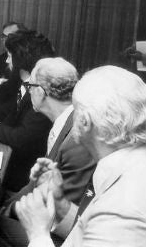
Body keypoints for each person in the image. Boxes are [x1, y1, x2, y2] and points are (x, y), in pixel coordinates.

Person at [15, 65, 146, 246]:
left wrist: (38, 235)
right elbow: (90, 233)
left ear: (84, 121)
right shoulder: (130, 165)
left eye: (74, 110)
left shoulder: (123, 208)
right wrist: (60, 203)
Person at [0, 57, 96, 246]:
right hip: (46, 211)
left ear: (39, 91)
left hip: (54, 234)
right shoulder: (66, 121)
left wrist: (6, 209)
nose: (28, 91)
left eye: (30, 86)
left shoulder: (76, 138)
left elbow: (56, 207)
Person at [0, 30, 54, 192]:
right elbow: (12, 110)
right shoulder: (26, 83)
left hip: (21, 177)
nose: (6, 60)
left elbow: (19, 137)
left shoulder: (39, 92)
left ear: (20, 60)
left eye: (9, 55)